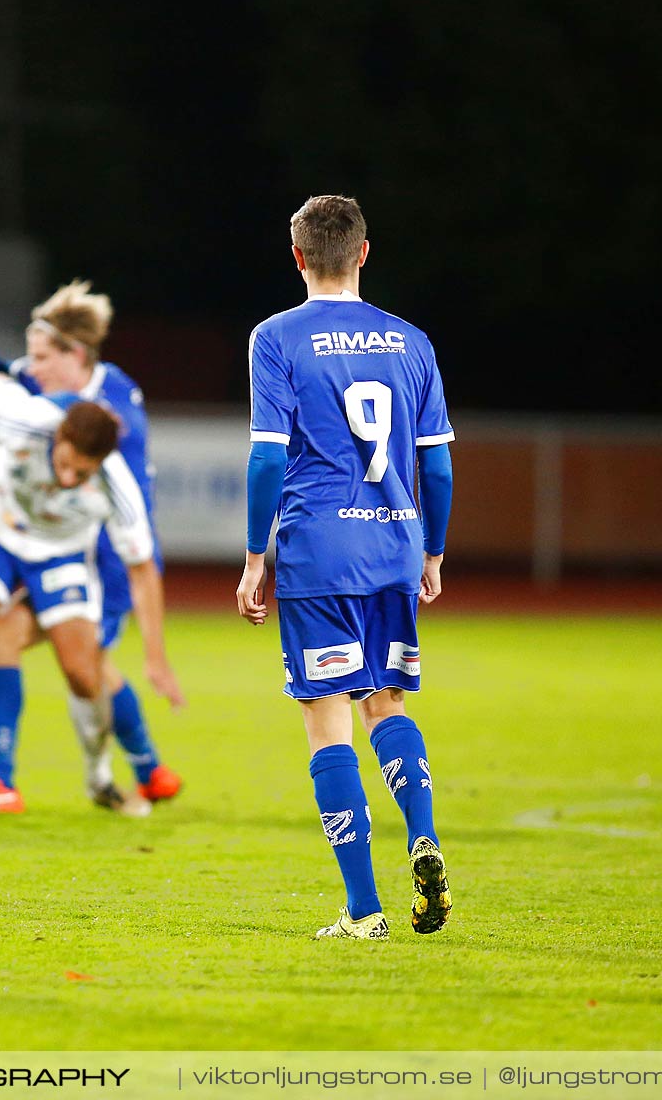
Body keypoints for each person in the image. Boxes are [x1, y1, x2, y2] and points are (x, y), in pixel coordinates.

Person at [237, 194, 455, 940]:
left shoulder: (276, 338)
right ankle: (422, 833)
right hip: (394, 543)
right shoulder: (412, 341)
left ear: (298, 257)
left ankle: (365, 911)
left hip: (319, 549)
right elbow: (440, 467)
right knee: (386, 704)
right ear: (364, 253)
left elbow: (268, 456)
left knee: (327, 722)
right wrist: (432, 549)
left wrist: (254, 553)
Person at [0, 284, 184, 812]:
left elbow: (138, 546)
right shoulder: (27, 404)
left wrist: (156, 655)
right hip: (4, 529)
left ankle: (129, 769)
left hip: (85, 553)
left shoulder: (117, 426)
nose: (32, 366)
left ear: (75, 356)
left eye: (43, 357)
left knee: (87, 667)